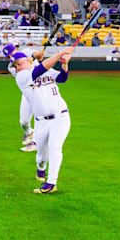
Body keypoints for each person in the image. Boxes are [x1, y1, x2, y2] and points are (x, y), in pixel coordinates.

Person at [18, 45, 73, 194]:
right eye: (15, 66)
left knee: (55, 147)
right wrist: (61, 53)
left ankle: (51, 183)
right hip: (41, 122)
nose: (17, 67)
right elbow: (39, 70)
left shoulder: (44, 69)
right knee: (42, 157)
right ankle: (41, 169)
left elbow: (62, 78)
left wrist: (64, 64)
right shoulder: (22, 77)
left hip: (61, 116)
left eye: (19, 63)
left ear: (29, 61)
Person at [6, 45, 37, 153]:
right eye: (8, 55)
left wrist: (35, 56)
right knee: (23, 121)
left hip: (40, 89)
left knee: (40, 116)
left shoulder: (26, 51)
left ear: (16, 49)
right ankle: (30, 133)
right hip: (27, 92)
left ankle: (35, 142)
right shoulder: (12, 66)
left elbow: (35, 54)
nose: (10, 56)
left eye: (11, 53)